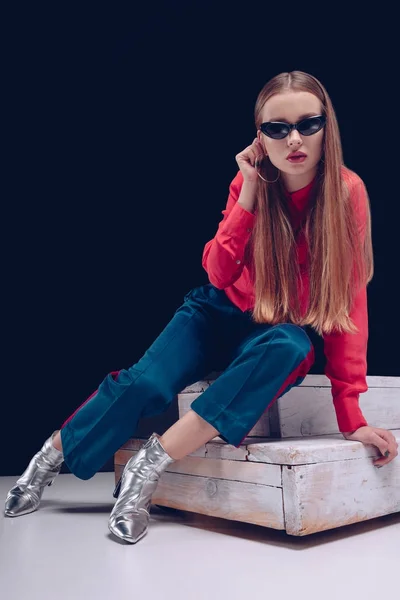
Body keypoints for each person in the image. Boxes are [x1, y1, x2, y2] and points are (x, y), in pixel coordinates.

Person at [4, 70, 398, 544]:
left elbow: (347, 302)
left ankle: (144, 472)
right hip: (216, 311)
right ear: (260, 137)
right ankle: (47, 458)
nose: (293, 139)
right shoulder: (250, 183)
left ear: (326, 127)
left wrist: (351, 416)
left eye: (307, 124)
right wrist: (250, 191)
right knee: (145, 383)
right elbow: (218, 272)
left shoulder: (346, 192)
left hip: (268, 328)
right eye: (277, 128)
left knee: (294, 346)